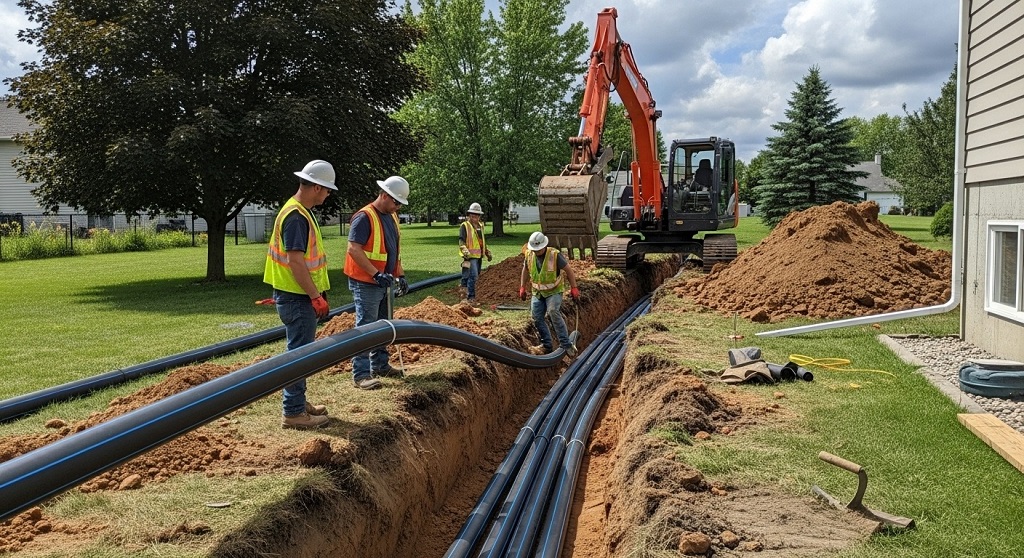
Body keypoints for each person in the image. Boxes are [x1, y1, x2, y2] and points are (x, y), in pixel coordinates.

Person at [263, 159, 336, 430]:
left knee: (299, 352)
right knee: (299, 355)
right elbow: (296, 261)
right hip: (297, 297)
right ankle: (293, 412)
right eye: (327, 189)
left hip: (294, 295)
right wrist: (315, 296)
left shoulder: (299, 211)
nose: (328, 195)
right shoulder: (296, 216)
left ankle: (297, 401)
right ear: (316, 187)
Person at [344, 175, 411, 390]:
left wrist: (400, 275)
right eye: (396, 202)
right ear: (383, 195)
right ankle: (361, 374)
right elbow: (353, 249)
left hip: (384, 282)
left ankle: (380, 364)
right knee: (366, 327)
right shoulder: (364, 217)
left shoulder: (391, 217)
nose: (398, 207)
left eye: (400, 203)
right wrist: (375, 274)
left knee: (384, 325)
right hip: (367, 282)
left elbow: (393, 251)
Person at [518, 231, 580, 356]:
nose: (537, 252)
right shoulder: (529, 255)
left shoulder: (554, 255)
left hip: (554, 291)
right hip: (538, 292)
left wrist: (574, 287)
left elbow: (568, 270)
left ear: (544, 246)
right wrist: (522, 287)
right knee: (536, 316)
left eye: (539, 249)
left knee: (553, 311)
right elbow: (525, 270)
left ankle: (566, 344)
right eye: (535, 250)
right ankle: (547, 345)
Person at [459, 202, 492, 303]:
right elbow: (461, 240)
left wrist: (486, 252)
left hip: (479, 256)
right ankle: (471, 298)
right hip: (470, 256)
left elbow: (481, 241)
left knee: (471, 275)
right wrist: (464, 250)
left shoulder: (480, 226)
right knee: (473, 276)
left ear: (479, 216)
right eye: (473, 214)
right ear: (469, 214)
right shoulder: (465, 225)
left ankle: (463, 292)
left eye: (477, 215)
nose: (475, 216)